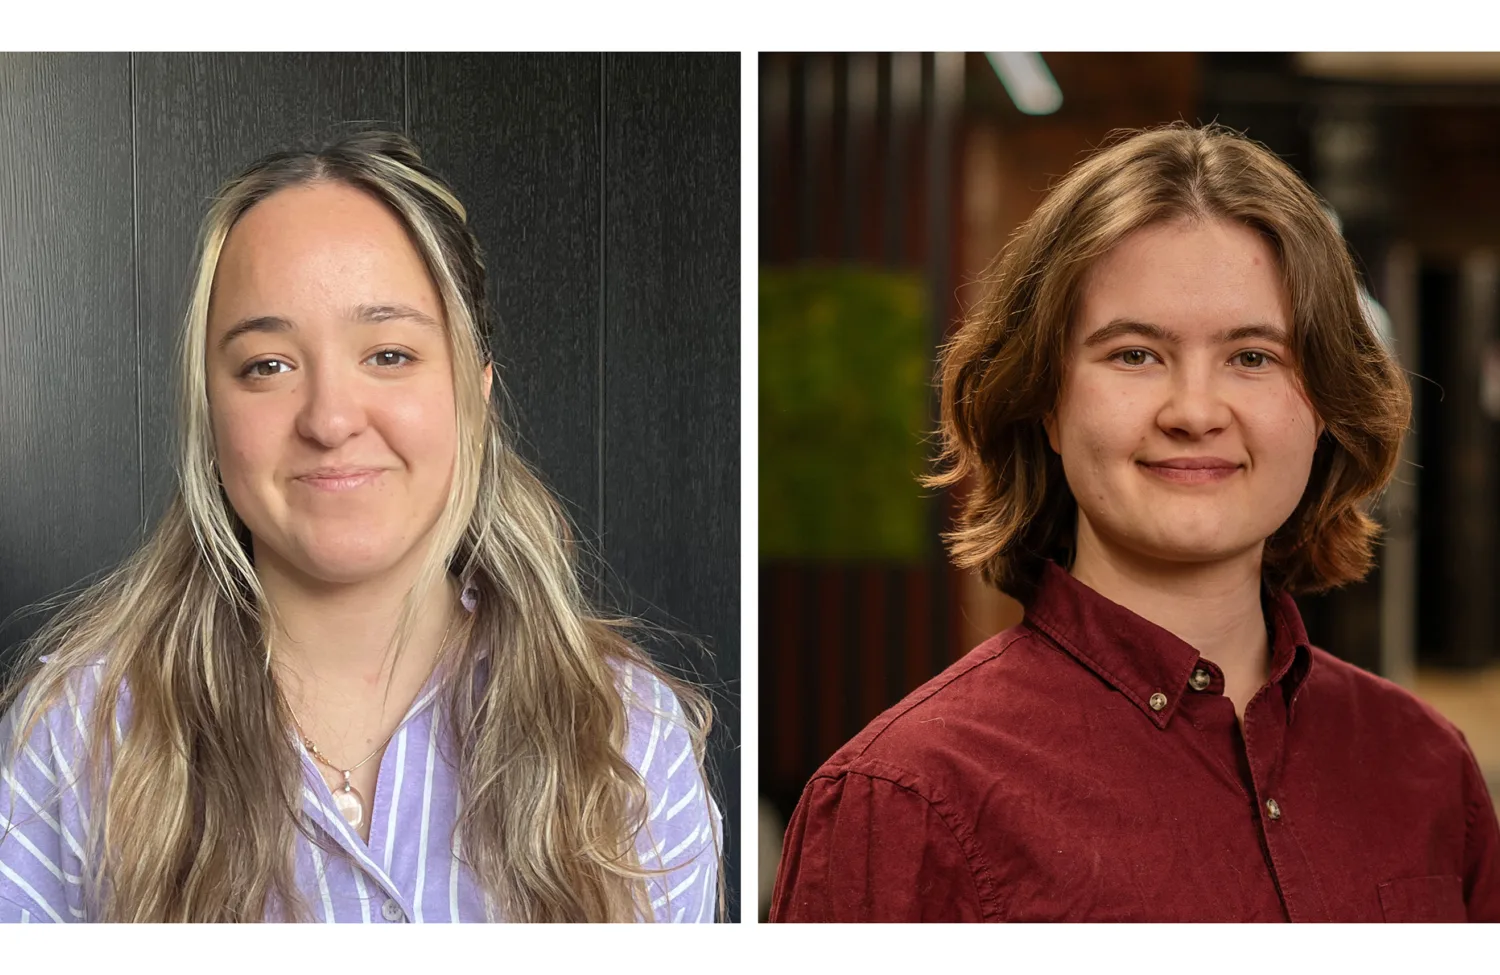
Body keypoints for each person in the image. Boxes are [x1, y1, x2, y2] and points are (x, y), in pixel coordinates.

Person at [770, 123, 1500, 922]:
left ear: (1324, 406)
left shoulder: (1429, 768)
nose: (1194, 411)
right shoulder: (904, 799)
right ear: (1044, 401)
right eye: (1134, 355)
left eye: (1253, 356)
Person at [0, 131, 719, 923]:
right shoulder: (76, 738)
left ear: (475, 391)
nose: (331, 418)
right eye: (267, 365)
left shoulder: (628, 740)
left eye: (388, 353)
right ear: (211, 412)